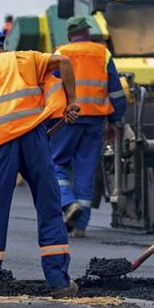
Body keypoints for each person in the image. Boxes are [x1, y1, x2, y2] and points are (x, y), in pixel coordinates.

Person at [0, 30, 81, 301]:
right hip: (34, 138)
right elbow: (64, 61)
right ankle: (59, 283)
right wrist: (72, 100)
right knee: (49, 205)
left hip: (0, 143)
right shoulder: (25, 59)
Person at [51, 16, 126, 237]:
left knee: (55, 163)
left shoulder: (60, 53)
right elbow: (116, 92)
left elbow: (51, 88)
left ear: (69, 34)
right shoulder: (103, 53)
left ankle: (67, 203)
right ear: (87, 32)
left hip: (67, 119)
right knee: (85, 170)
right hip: (95, 120)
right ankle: (80, 226)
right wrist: (115, 120)